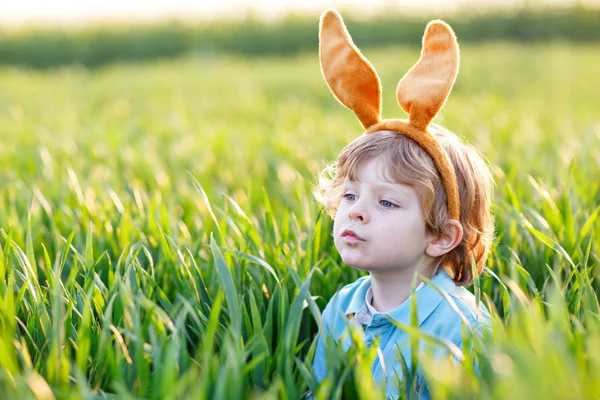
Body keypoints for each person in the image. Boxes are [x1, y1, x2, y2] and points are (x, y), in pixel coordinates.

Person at [309, 9, 495, 399]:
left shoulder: (459, 327)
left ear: (441, 236)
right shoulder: (341, 308)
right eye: (350, 195)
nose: (356, 211)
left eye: (388, 203)